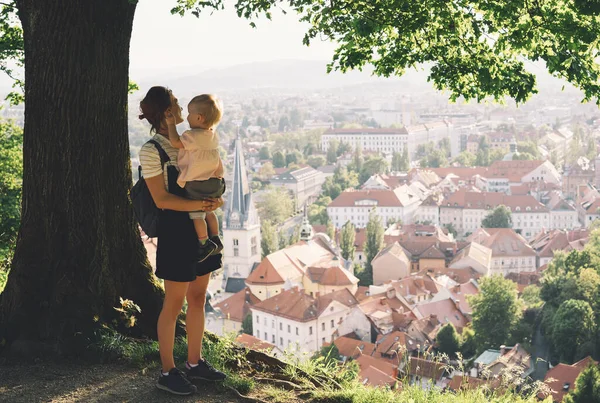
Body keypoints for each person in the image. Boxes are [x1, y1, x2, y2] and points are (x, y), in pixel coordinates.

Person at [138, 86, 226, 396]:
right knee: (173, 303)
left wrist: (213, 201)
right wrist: (200, 206)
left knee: (199, 297)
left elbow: (210, 177)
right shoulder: (152, 150)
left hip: (198, 224)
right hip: (176, 230)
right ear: (166, 112)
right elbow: (161, 199)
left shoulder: (193, 139)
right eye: (176, 104)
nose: (180, 109)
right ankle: (167, 370)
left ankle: (194, 362)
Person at [164, 94, 225, 262]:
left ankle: (204, 243)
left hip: (197, 183)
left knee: (196, 214)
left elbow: (176, 142)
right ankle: (216, 237)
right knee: (209, 211)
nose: (187, 116)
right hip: (215, 181)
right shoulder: (212, 135)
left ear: (199, 117)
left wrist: (170, 125)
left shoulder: (192, 136)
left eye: (190, 113)